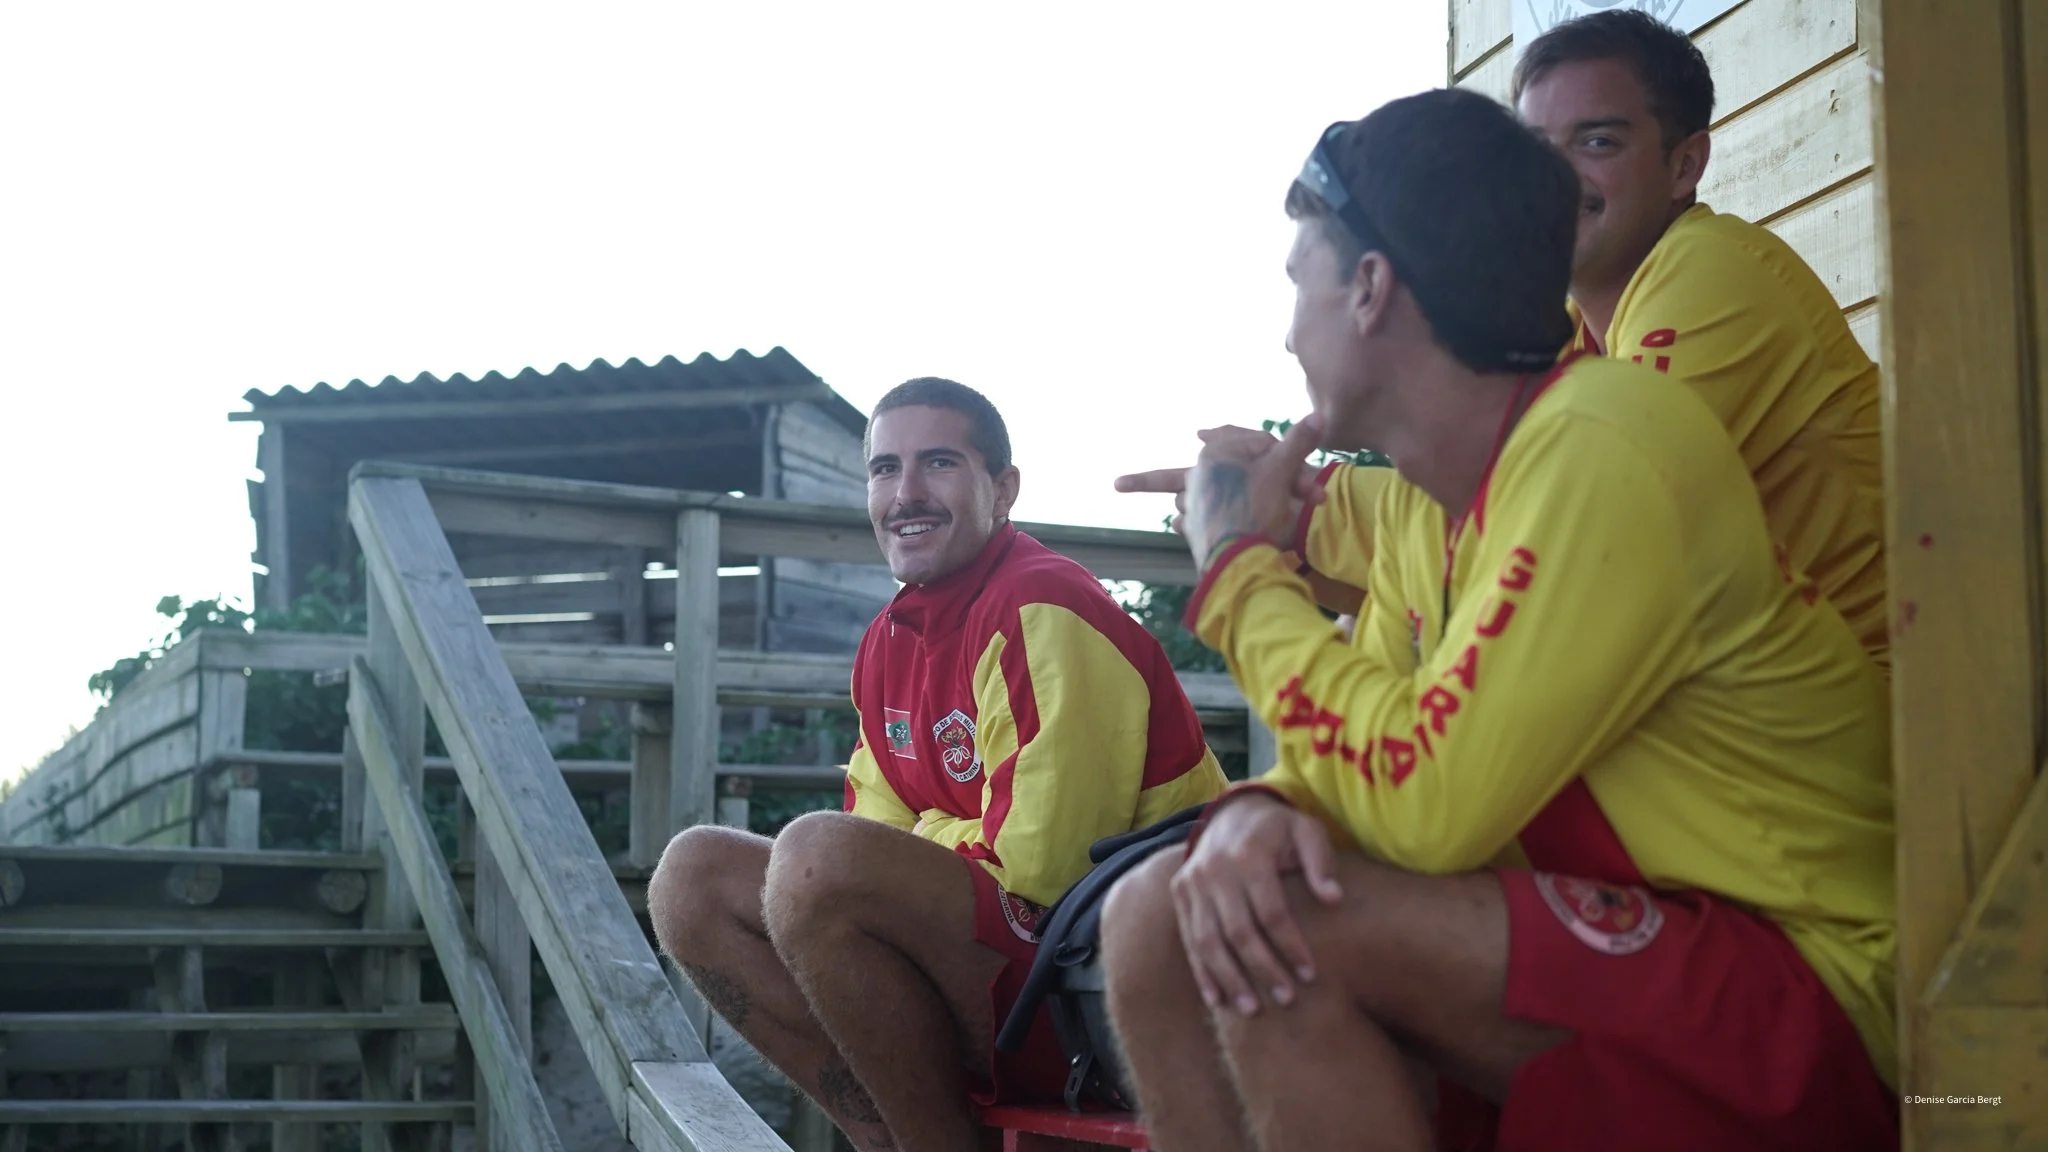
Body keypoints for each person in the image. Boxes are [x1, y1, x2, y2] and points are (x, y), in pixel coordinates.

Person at [1095, 89, 1897, 1152]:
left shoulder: (1602, 444)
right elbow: (1369, 737)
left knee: (1281, 926)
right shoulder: (1439, 498)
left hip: (1810, 985)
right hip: (1640, 940)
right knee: (1155, 912)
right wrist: (1261, 807)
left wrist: (1241, 573)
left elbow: (1429, 802)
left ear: (1370, 289)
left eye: (1298, 283)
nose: (1286, 329)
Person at [1118, 9, 1889, 676]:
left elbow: (1564, 528)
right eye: (1534, 149)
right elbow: (1457, 567)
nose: (1552, 179)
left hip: (1897, 752)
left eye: (1596, 143)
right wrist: (1286, 527)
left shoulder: (1710, 271)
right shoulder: (1560, 337)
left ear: (1686, 163)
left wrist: (1293, 512)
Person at [646, 377, 1229, 1152]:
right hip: (1007, 978)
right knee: (694, 878)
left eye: (940, 464)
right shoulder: (890, 640)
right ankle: (883, 1136)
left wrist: (917, 840)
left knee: (819, 864)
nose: (906, 493)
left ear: (1004, 488)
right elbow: (874, 837)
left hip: (1117, 991)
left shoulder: (1043, 606)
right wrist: (938, 838)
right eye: (885, 469)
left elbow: (1039, 871)